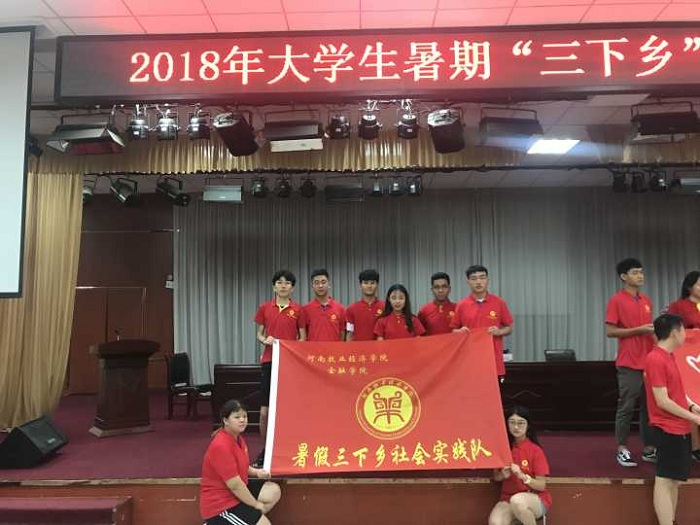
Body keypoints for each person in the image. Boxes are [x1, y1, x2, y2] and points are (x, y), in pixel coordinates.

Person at [644, 314, 700, 525]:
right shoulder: (655, 358)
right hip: (666, 428)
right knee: (664, 479)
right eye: (683, 329)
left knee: (674, 480)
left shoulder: (670, 356)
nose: (686, 334)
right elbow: (662, 401)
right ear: (675, 332)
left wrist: (692, 406)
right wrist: (693, 417)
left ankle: (671, 520)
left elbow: (677, 392)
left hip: (680, 427)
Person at [605, 258, 656, 467]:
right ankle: (622, 449)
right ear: (624, 276)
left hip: (649, 361)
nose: (640, 276)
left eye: (641, 272)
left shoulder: (646, 300)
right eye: (635, 272)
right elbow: (610, 331)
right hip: (628, 362)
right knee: (626, 406)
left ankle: (649, 448)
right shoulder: (616, 300)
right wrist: (639, 330)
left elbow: (649, 330)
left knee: (650, 407)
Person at [253, 270, 306, 468]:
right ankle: (265, 450)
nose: (283, 286)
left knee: (289, 409)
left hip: (290, 365)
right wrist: (264, 340)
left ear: (292, 288)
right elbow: (259, 334)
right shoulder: (265, 308)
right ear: (274, 286)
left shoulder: (298, 310)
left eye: (287, 283)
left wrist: (292, 348)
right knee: (265, 411)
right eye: (279, 282)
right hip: (269, 362)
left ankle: (290, 448)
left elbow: (303, 338)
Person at [200, 399, 281, 525]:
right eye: (237, 417)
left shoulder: (238, 438)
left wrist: (257, 472)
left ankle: (246, 519)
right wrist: (256, 504)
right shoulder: (220, 446)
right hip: (220, 505)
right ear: (225, 420)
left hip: (236, 494)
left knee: (273, 491)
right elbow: (235, 485)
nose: (242, 420)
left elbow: (242, 466)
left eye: (244, 416)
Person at [488, 405, 552, 525]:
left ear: (528, 426)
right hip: (507, 498)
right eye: (512, 422)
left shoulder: (535, 450)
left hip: (534, 498)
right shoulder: (503, 448)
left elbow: (541, 486)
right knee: (495, 522)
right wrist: (502, 475)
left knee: (517, 501)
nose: (516, 427)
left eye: (521, 423)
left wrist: (522, 476)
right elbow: (496, 477)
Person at [451, 265, 513, 379]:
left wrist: (499, 332)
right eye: (474, 278)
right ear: (468, 282)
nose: (478, 282)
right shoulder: (461, 305)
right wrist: (459, 332)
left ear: (488, 280)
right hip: (469, 361)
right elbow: (453, 330)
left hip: (493, 361)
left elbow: (509, 328)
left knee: (494, 390)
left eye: (482, 277)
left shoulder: (499, 302)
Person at [666, 270, 700, 462]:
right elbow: (670, 331)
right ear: (689, 287)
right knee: (692, 401)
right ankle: (695, 446)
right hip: (687, 361)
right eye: (699, 284)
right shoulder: (678, 306)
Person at [303, 268, 346, 342]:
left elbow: (342, 334)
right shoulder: (305, 310)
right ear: (312, 286)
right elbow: (303, 335)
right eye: (316, 283)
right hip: (313, 349)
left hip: (334, 349)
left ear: (329, 284)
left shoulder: (340, 309)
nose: (320, 286)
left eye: (323, 282)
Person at [345, 269, 384, 342]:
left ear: (377, 285)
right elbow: (350, 334)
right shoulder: (351, 309)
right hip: (358, 349)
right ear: (360, 285)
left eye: (372, 283)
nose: (369, 286)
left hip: (380, 349)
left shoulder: (385, 307)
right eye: (366, 283)